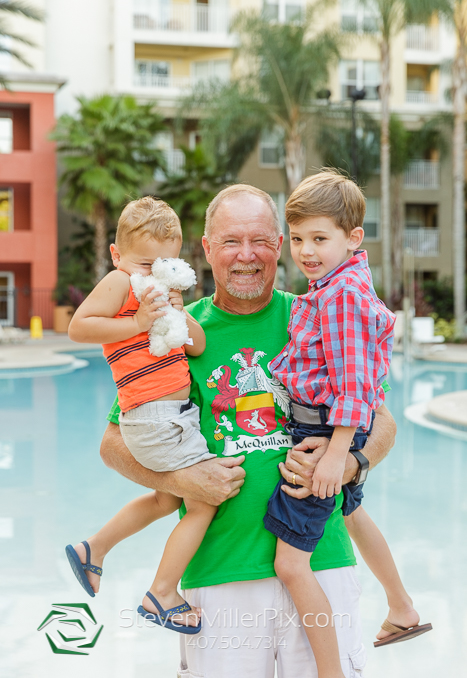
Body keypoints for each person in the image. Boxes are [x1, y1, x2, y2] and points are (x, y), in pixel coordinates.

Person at [98, 184, 397, 678]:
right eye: (230, 241)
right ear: (206, 249)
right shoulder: (173, 330)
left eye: (259, 240)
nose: (246, 255)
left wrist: (349, 464)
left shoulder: (318, 316)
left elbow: (379, 418)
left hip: (322, 561)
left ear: (280, 246)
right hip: (220, 575)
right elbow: (114, 444)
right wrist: (181, 483)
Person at [264, 171, 429, 677]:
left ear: (352, 238)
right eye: (296, 239)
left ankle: (331, 673)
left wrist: (338, 454)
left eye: (319, 238)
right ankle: (402, 607)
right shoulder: (337, 283)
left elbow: (355, 384)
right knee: (352, 514)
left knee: (290, 564)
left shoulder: (339, 298)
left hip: (327, 436)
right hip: (332, 430)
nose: (306, 251)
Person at [66, 197, 218, 632]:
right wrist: (136, 324)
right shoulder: (119, 282)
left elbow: (199, 346)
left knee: (166, 500)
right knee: (203, 501)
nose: (152, 272)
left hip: (172, 416)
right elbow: (79, 326)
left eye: (165, 263)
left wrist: (177, 309)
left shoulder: (160, 294)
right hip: (154, 416)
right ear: (118, 256)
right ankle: (162, 594)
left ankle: (92, 549)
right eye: (144, 263)